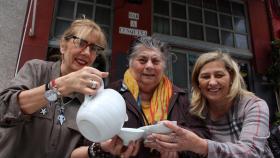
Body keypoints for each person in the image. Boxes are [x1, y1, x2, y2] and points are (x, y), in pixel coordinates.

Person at [71, 36, 210, 158]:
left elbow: (203, 139)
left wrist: (179, 148)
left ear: (164, 67)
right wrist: (108, 148)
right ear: (130, 63)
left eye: (156, 61)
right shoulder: (111, 94)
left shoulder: (181, 98)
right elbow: (89, 141)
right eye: (142, 60)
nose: (149, 66)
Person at [0, 18, 109, 158]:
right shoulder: (37, 70)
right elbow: (4, 109)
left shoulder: (90, 96)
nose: (87, 53)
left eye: (94, 48)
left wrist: (101, 147)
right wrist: (61, 87)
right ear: (63, 46)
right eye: (81, 43)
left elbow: (75, 152)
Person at [145, 51, 275, 158]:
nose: (212, 82)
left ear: (231, 78)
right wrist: (172, 147)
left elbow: (251, 152)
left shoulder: (254, 105)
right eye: (205, 77)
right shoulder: (195, 110)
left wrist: (201, 145)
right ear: (198, 84)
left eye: (219, 75)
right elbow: (189, 146)